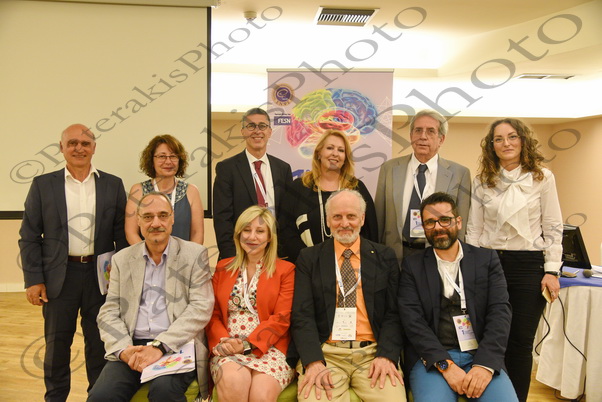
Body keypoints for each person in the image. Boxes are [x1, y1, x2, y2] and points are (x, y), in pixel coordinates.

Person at [18, 124, 128, 401]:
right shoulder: (43, 185)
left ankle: (98, 396)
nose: (79, 148)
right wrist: (34, 279)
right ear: (62, 147)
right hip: (58, 278)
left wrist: (123, 278)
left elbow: (121, 236)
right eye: (72, 143)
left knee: (99, 344)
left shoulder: (113, 184)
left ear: (94, 148)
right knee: (57, 346)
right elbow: (29, 236)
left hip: (100, 278)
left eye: (85, 143)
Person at [466, 118, 562, 402]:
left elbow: (553, 226)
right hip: (489, 263)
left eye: (512, 137)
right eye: (498, 139)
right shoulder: (482, 181)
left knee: (519, 341)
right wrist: (469, 268)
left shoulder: (543, 178)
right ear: (491, 146)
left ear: (523, 141)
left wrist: (552, 270)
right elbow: (474, 229)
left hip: (528, 265)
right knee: (487, 337)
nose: (505, 143)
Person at [88, 192, 214, 401]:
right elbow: (109, 311)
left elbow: (201, 308)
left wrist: (160, 346)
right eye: (148, 217)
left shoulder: (194, 255)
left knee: (164, 392)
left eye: (162, 215)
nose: (156, 223)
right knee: (100, 396)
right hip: (133, 345)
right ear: (138, 221)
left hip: (176, 345)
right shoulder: (122, 259)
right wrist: (123, 349)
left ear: (172, 218)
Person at [288, 189, 406, 401]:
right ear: (327, 220)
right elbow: (302, 315)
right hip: (327, 354)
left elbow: (394, 313)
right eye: (337, 217)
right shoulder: (309, 258)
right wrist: (313, 361)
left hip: (372, 354)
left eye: (351, 216)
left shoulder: (384, 257)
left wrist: (387, 356)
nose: (344, 223)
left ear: (362, 218)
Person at [400, 192, 517, 401]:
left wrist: (484, 365)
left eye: (445, 219)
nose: (438, 227)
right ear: (423, 227)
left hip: (480, 355)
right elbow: (413, 322)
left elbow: (500, 313)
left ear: (458, 222)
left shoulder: (486, 259)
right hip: (432, 359)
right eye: (430, 222)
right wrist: (445, 365)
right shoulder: (412, 265)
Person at [207, 206, 295, 401]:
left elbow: (281, 318)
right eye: (246, 230)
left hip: (270, 347)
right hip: (227, 346)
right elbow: (212, 313)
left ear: (270, 237)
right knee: (234, 382)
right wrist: (225, 342)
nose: (252, 237)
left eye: (260, 231)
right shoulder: (223, 267)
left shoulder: (286, 270)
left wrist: (247, 344)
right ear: (238, 234)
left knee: (260, 394)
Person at [375, 109, 471, 264]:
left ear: (441, 139)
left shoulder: (459, 173)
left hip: (439, 254)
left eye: (431, 131)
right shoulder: (389, 168)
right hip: (395, 255)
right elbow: (379, 218)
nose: (423, 136)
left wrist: (455, 261)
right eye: (418, 130)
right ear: (411, 135)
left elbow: (461, 225)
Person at [280, 129, 378, 263]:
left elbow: (370, 232)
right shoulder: (299, 187)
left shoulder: (357, 187)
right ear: (319, 153)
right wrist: (308, 260)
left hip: (351, 265)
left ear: (345, 158)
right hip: (307, 266)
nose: (335, 154)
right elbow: (286, 230)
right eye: (330, 148)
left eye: (341, 150)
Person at [213, 107, 293, 259]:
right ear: (243, 131)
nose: (257, 131)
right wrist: (231, 256)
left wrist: (284, 253)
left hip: (276, 254)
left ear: (270, 132)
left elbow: (287, 216)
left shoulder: (283, 169)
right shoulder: (227, 168)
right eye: (251, 126)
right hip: (240, 253)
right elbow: (222, 218)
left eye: (262, 126)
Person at [125, 134, 204, 245]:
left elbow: (197, 233)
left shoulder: (191, 191)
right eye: (162, 156)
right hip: (146, 255)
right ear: (151, 160)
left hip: (184, 256)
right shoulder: (138, 190)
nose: (168, 162)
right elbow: (131, 233)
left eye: (173, 156)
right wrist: (147, 254)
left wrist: (189, 255)